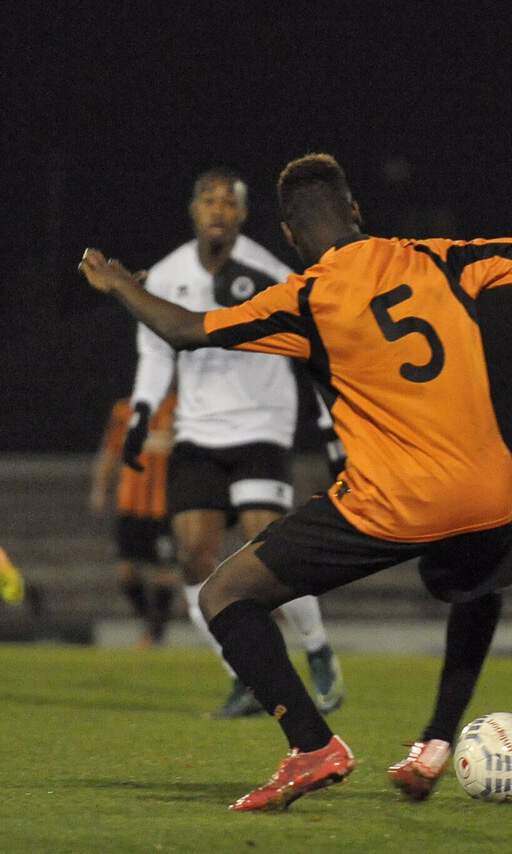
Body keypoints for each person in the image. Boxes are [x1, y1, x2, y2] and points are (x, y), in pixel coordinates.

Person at [78, 152, 512, 812]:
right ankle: (437, 739)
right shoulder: (437, 257)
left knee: (224, 595)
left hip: (392, 504)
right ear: (355, 210)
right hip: (488, 493)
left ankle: (312, 745)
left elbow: (182, 330)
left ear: (292, 239)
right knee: (480, 583)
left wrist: (119, 282)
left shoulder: (308, 295)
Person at [128, 168, 343, 717]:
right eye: (209, 200)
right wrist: (142, 414)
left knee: (266, 550)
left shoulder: (269, 273)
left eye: (229, 202)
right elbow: (156, 352)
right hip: (199, 431)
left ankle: (317, 650)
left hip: (261, 426)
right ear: (194, 209)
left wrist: (327, 427)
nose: (218, 210)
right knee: (194, 558)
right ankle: (245, 677)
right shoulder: (168, 274)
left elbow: (308, 349)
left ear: (244, 215)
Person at [89, 392, 180, 646]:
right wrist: (100, 488)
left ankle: (155, 633)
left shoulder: (178, 406)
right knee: (126, 570)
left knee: (165, 572)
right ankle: (150, 623)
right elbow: (110, 451)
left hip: (164, 506)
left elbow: (191, 445)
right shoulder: (123, 410)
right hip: (129, 504)